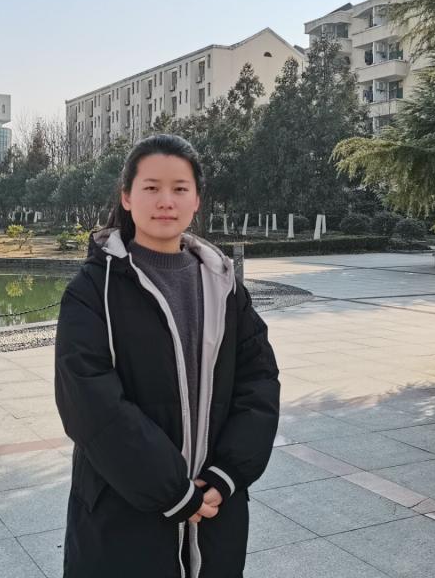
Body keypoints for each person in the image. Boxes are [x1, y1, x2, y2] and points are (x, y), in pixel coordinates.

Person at [54, 134, 280, 578]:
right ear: (127, 196)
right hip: (123, 510)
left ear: (197, 200)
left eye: (179, 188)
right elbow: (89, 401)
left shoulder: (223, 286)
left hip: (216, 508)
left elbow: (259, 380)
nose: (166, 201)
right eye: (151, 187)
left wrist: (227, 474)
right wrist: (172, 490)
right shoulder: (93, 289)